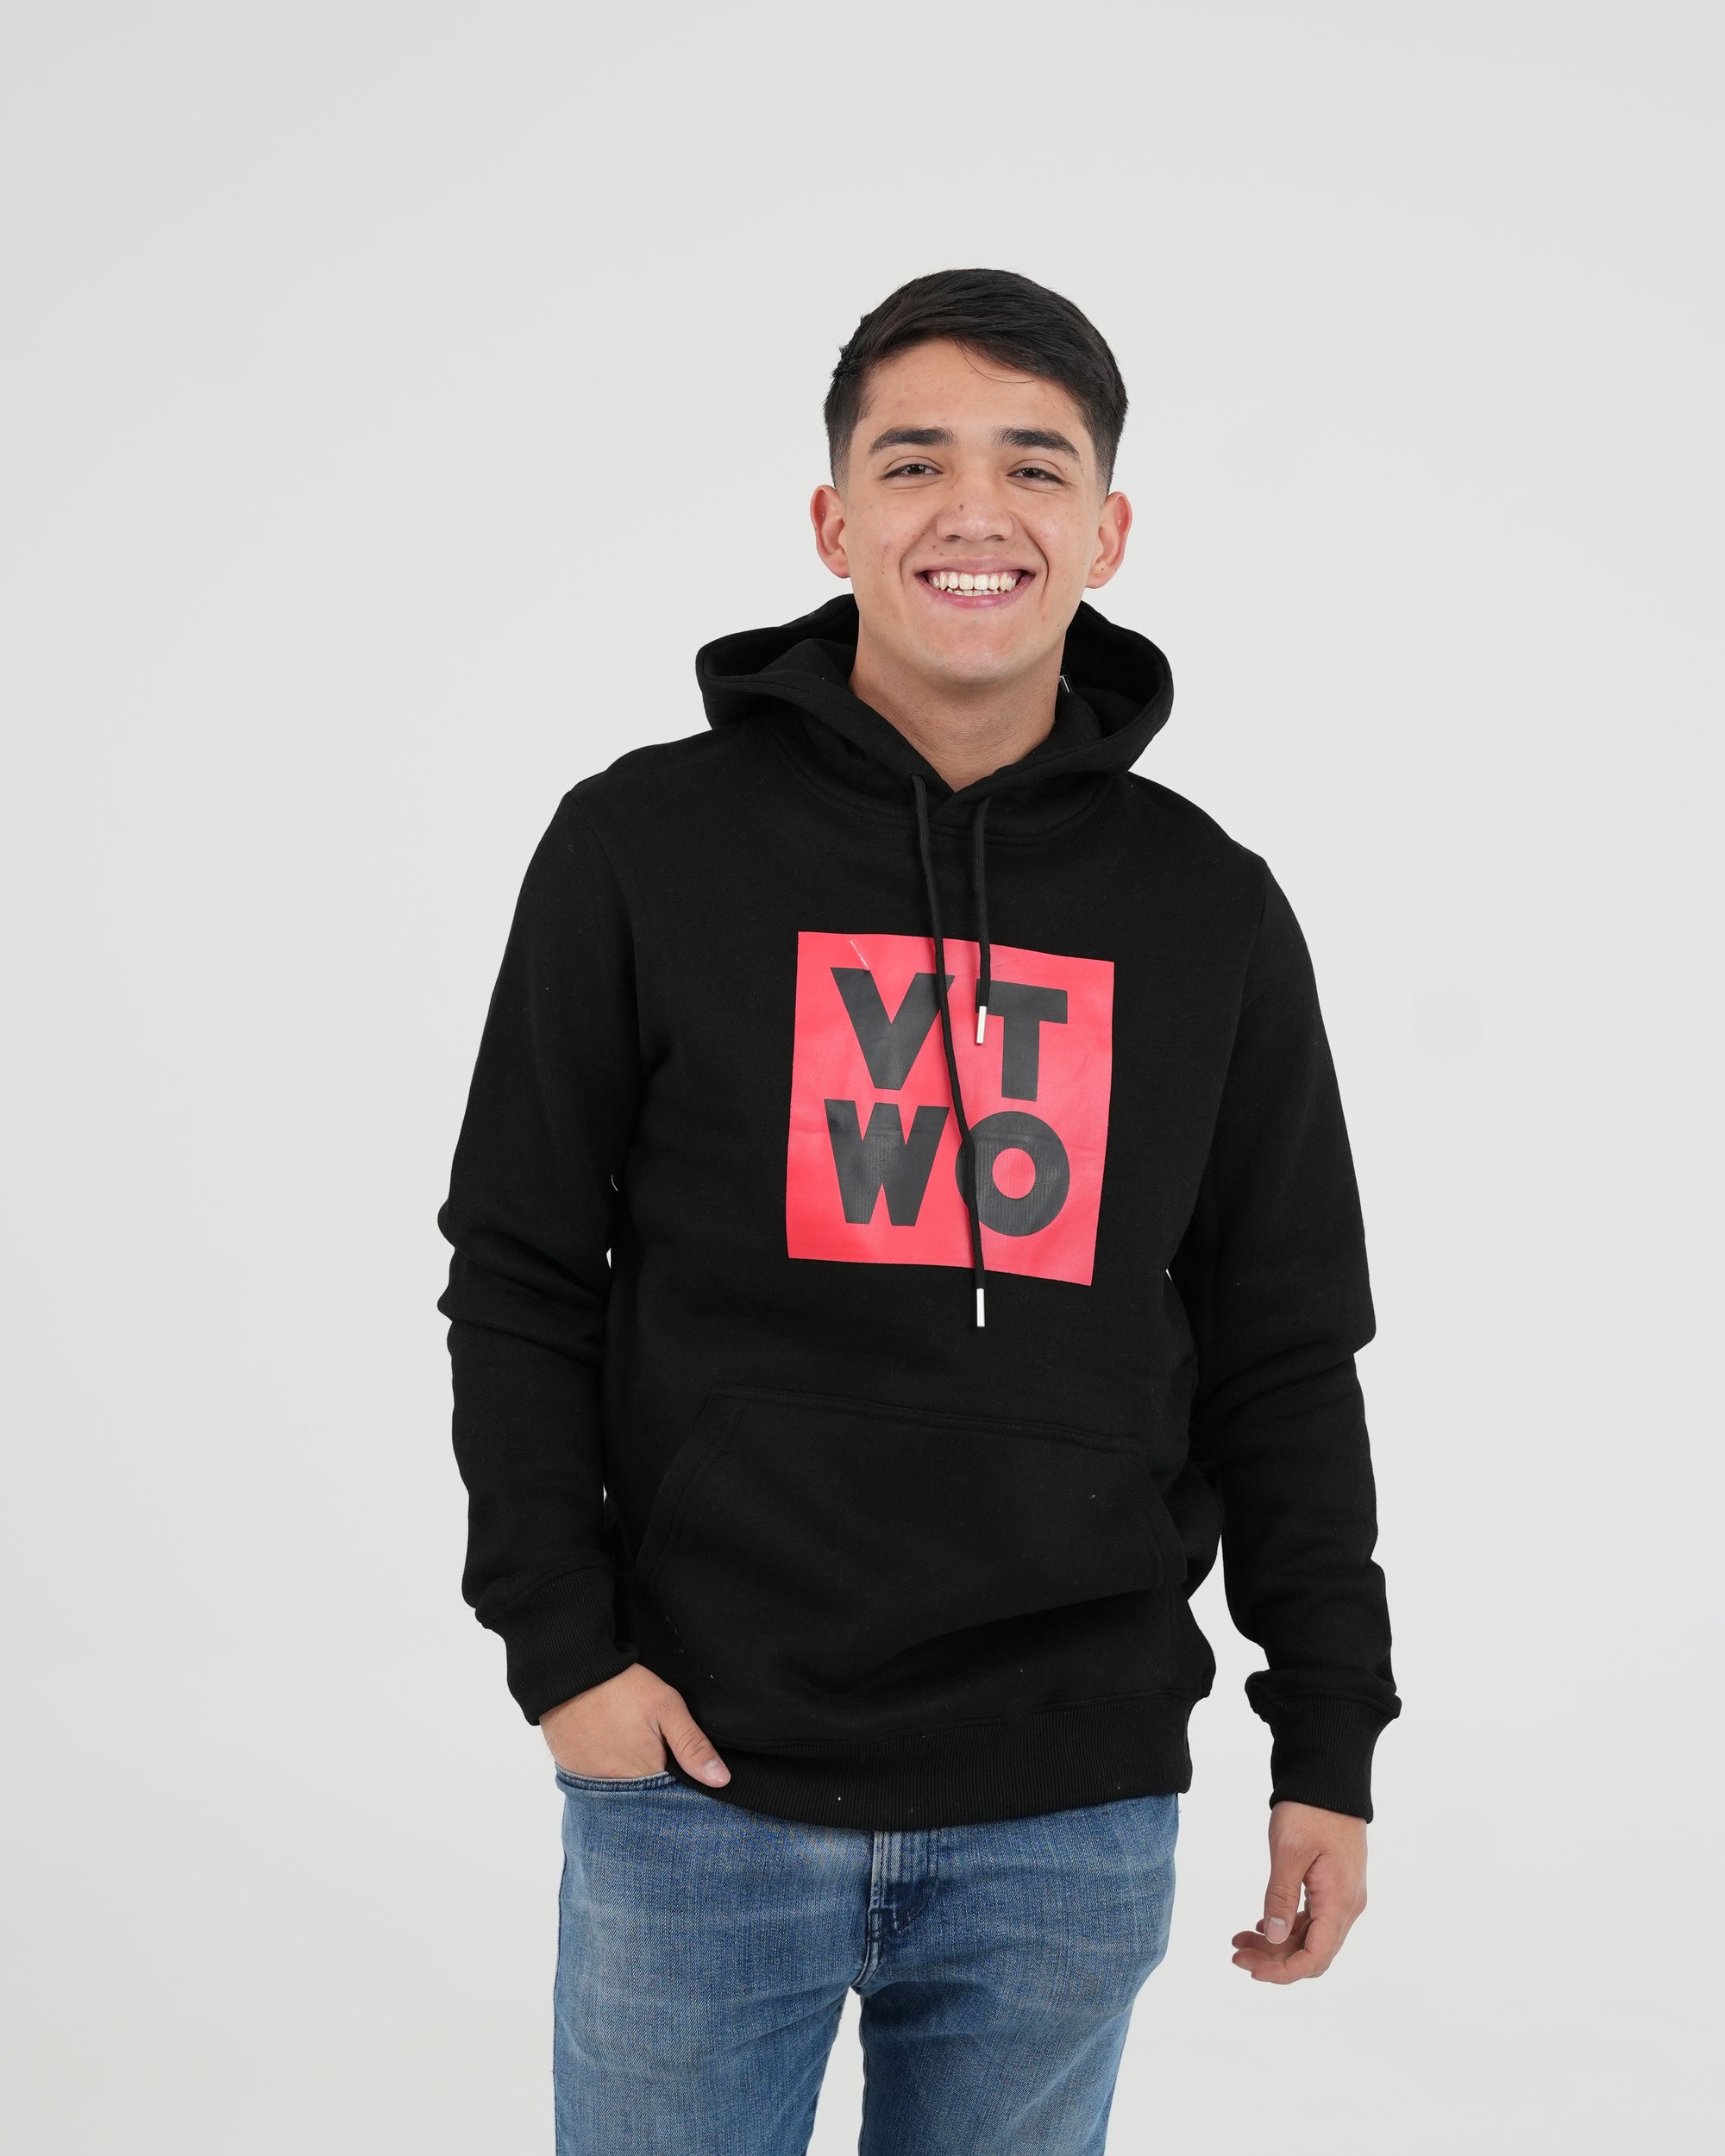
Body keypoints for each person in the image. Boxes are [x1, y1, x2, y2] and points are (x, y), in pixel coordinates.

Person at [436, 266, 1401, 2155]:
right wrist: (563, 1651)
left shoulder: (1207, 909)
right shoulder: (643, 843)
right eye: (914, 462)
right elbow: (521, 1272)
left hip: (1068, 1801)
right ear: (834, 522)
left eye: (1035, 466)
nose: (976, 509)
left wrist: (1329, 1738)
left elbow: (1285, 1351)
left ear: (1107, 532)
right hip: (698, 1777)